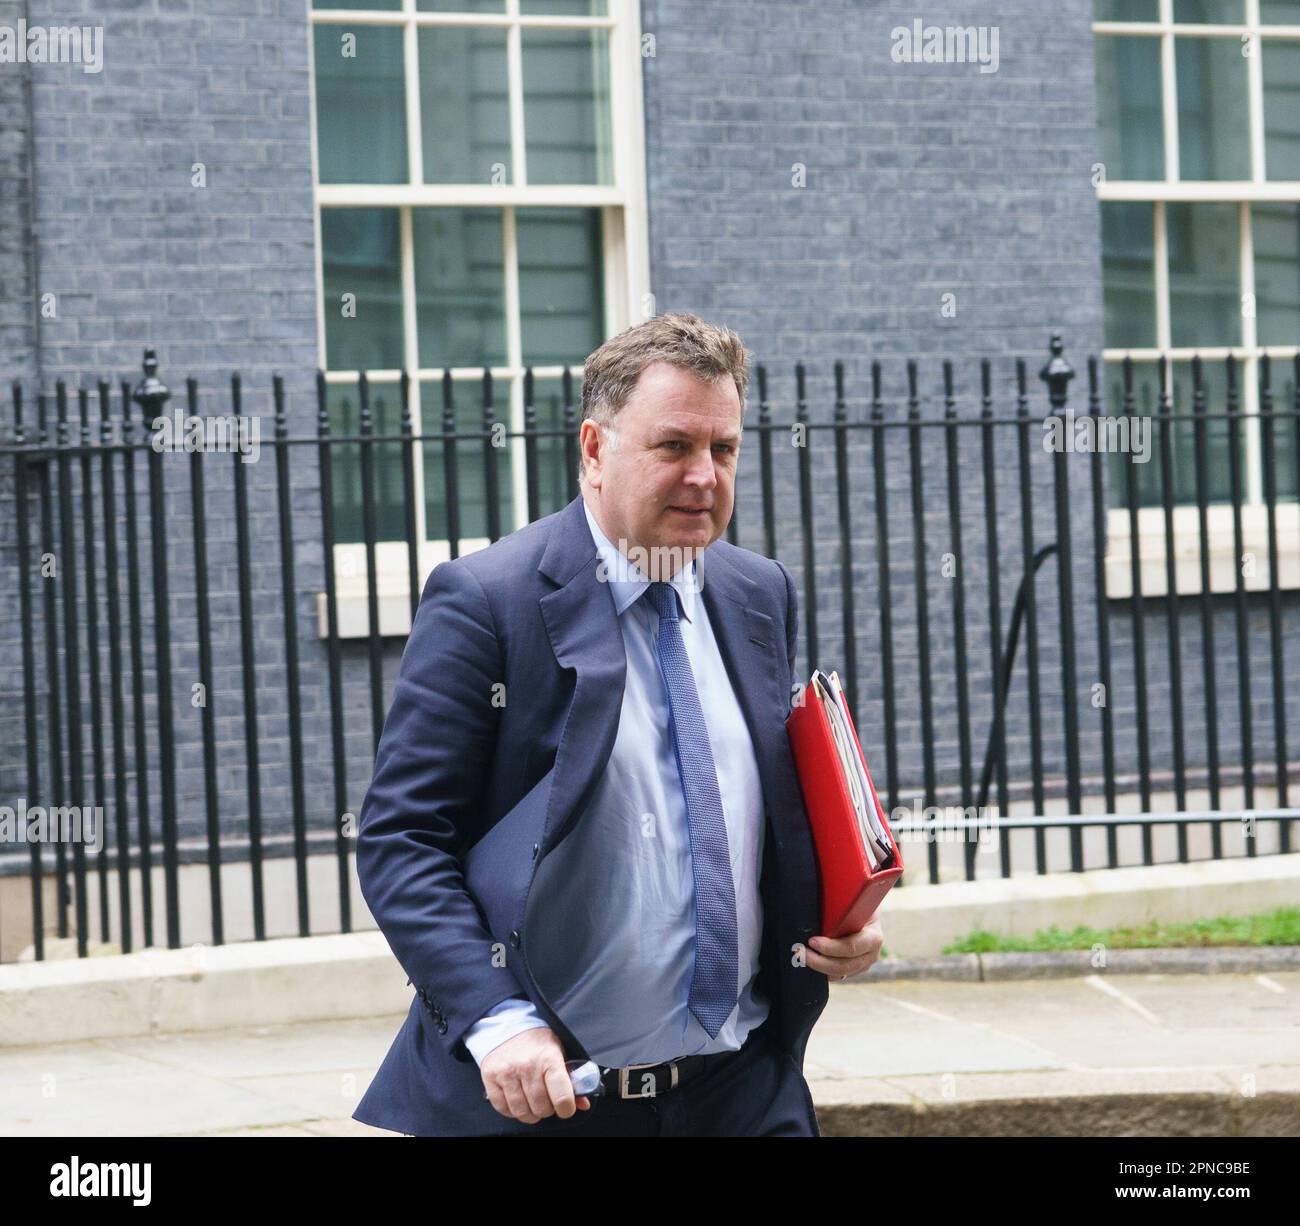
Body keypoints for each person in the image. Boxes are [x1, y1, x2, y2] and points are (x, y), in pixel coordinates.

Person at [353, 312, 883, 1137]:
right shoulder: (488, 602)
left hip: (742, 1092)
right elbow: (402, 840)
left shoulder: (757, 594)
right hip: (556, 1100)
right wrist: (498, 1022)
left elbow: (750, 808)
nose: (705, 476)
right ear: (595, 452)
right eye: (674, 446)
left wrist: (834, 918)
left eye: (724, 449)